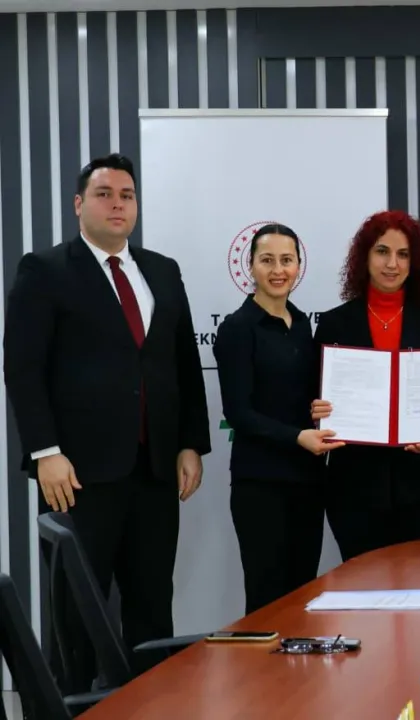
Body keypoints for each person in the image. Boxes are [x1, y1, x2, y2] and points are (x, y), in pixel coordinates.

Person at [3, 153, 209, 688]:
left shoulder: (162, 270)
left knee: (151, 606)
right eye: (104, 194)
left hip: (155, 469)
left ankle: (150, 706)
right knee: (75, 612)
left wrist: (190, 443)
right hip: (78, 474)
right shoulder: (45, 270)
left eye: (127, 195)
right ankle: (70, 708)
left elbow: (183, 362)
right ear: (79, 204)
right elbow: (23, 368)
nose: (117, 204)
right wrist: (45, 452)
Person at [310, 211, 420, 561]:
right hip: (356, 492)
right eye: (382, 251)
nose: (392, 264)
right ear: (364, 257)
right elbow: (314, 397)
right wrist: (317, 409)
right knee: (365, 589)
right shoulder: (334, 323)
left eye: (403, 254)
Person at [213, 224, 343, 615]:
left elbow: (303, 397)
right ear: (251, 266)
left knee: (302, 597)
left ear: (299, 265)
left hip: (308, 481)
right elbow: (238, 412)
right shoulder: (237, 329)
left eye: (286, 260)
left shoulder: (303, 325)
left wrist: (320, 410)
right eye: (267, 260)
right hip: (261, 484)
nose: (277, 270)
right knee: (267, 599)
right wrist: (297, 437)